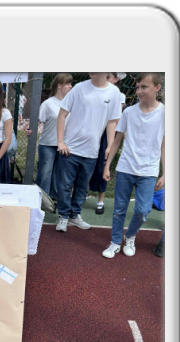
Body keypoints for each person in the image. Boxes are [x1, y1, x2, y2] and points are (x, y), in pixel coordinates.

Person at [102, 73, 165, 258]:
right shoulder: (129, 112)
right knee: (119, 209)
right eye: (137, 87)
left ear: (157, 88)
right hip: (125, 168)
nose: (139, 91)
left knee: (143, 210)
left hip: (149, 170)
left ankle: (130, 236)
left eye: (144, 87)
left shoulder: (165, 113)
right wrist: (107, 165)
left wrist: (165, 173)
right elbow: (117, 140)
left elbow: (164, 144)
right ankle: (115, 242)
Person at [55, 72, 122, 232]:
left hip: (92, 151)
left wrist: (110, 145)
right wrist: (60, 142)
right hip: (70, 149)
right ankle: (63, 215)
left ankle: (75, 215)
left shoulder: (114, 92)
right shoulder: (79, 88)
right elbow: (62, 115)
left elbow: (112, 122)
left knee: (82, 187)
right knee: (64, 186)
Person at [26, 73, 73, 199]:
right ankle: (41, 199)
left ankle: (54, 198)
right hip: (48, 144)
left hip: (65, 145)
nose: (71, 86)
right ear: (59, 85)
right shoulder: (48, 104)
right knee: (45, 173)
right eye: (68, 84)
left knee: (59, 173)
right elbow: (35, 122)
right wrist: (28, 129)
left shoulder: (71, 104)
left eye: (71, 84)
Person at [89, 72, 127, 214]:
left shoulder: (119, 95)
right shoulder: (94, 92)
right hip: (93, 130)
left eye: (108, 77)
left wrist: (110, 142)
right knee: (87, 163)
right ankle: (80, 195)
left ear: (116, 79)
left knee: (103, 164)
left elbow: (115, 118)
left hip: (107, 134)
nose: (105, 79)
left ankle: (100, 201)